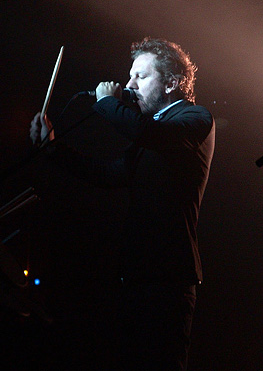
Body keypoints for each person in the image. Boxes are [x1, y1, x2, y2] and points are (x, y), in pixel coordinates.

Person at [30, 38, 215, 371]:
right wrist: (53, 149)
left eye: (140, 77)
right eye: (129, 77)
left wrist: (105, 102)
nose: (128, 85)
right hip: (137, 274)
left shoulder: (195, 119)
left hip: (168, 280)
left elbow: (149, 134)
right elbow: (110, 174)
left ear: (171, 82)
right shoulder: (152, 129)